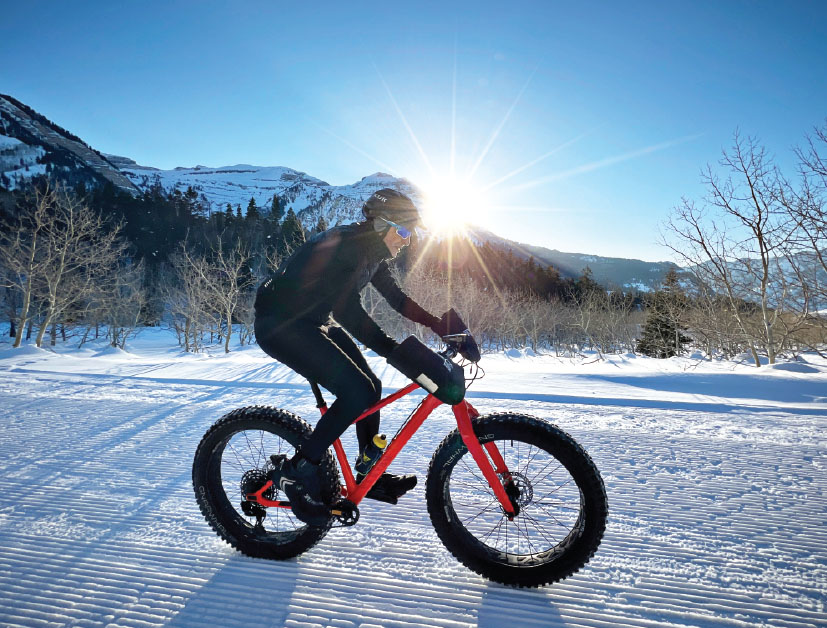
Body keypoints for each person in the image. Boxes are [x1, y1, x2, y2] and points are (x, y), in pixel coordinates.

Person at [254, 188, 468, 525]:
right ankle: (296, 473)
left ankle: (369, 474)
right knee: (356, 392)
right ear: (382, 224)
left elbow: (398, 299)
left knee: (371, 386)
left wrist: (440, 325)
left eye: (411, 234)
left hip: (313, 321)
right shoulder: (348, 247)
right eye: (404, 231)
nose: (408, 241)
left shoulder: (371, 253)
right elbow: (349, 312)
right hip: (281, 325)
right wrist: (392, 350)